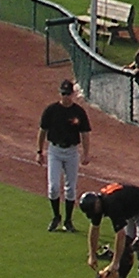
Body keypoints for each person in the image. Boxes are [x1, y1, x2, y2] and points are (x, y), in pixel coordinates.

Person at [37, 79, 93, 231]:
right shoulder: (51, 110)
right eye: (63, 94)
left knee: (70, 188)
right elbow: (43, 131)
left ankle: (68, 220)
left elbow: (85, 133)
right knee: (54, 186)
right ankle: (56, 216)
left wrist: (86, 153)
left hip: (71, 151)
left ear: (73, 94)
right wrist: (39, 151)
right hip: (54, 150)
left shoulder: (79, 112)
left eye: (68, 94)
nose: (66, 97)